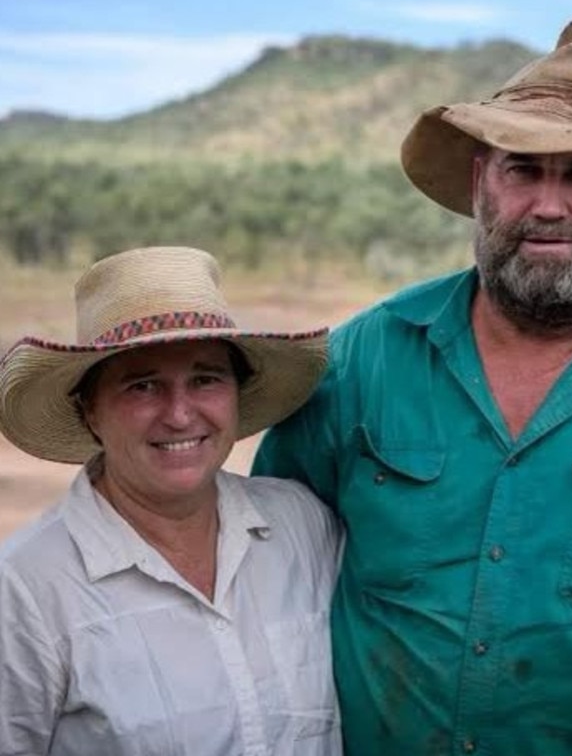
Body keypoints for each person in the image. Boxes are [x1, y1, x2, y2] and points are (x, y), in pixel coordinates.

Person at [252, 16, 572, 756]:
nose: (548, 205)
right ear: (479, 186)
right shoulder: (364, 360)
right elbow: (264, 549)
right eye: (522, 169)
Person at [0, 245, 342, 756]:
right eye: (143, 386)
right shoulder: (25, 590)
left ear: (236, 393)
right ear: (90, 410)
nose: (180, 415)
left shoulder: (300, 524)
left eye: (205, 378)